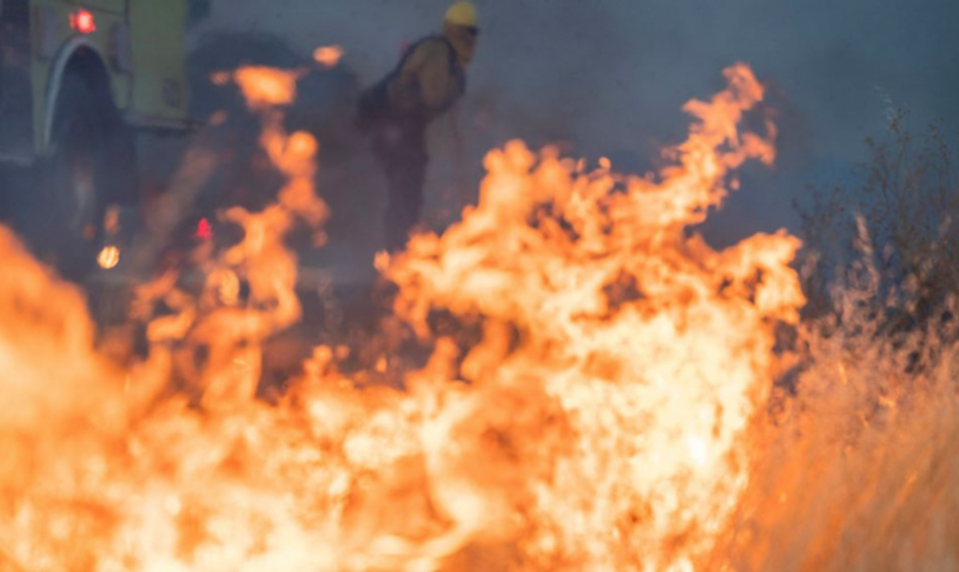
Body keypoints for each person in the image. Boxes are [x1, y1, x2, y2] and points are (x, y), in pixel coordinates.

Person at [356, 2, 479, 252]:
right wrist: (455, 87)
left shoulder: (442, 52)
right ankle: (397, 254)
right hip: (397, 129)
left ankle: (400, 249)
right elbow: (433, 97)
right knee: (406, 191)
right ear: (463, 33)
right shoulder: (439, 52)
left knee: (406, 189)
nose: (472, 42)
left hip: (400, 129)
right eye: (471, 34)